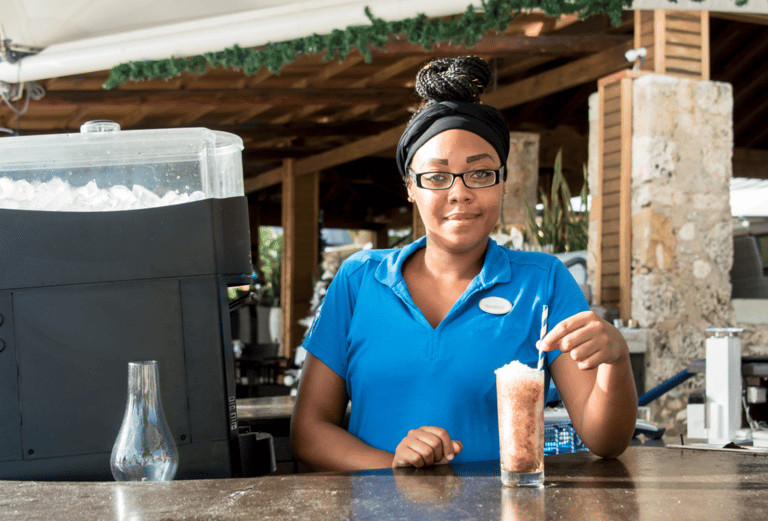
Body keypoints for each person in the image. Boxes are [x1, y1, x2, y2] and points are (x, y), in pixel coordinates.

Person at [291, 56, 637, 471]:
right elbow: (309, 431)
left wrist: (616, 363)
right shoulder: (359, 280)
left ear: (503, 182)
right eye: (437, 177)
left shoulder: (543, 283)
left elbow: (605, 441)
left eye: (480, 174)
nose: (460, 193)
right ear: (410, 189)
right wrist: (394, 464)